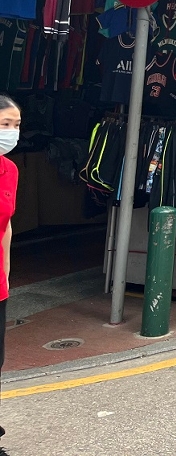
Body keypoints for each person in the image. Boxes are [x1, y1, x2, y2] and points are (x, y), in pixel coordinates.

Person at [0, 95, 20, 438]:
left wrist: (5, 274)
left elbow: (6, 226)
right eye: (5, 124)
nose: (12, 132)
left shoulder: (10, 171)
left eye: (16, 125)